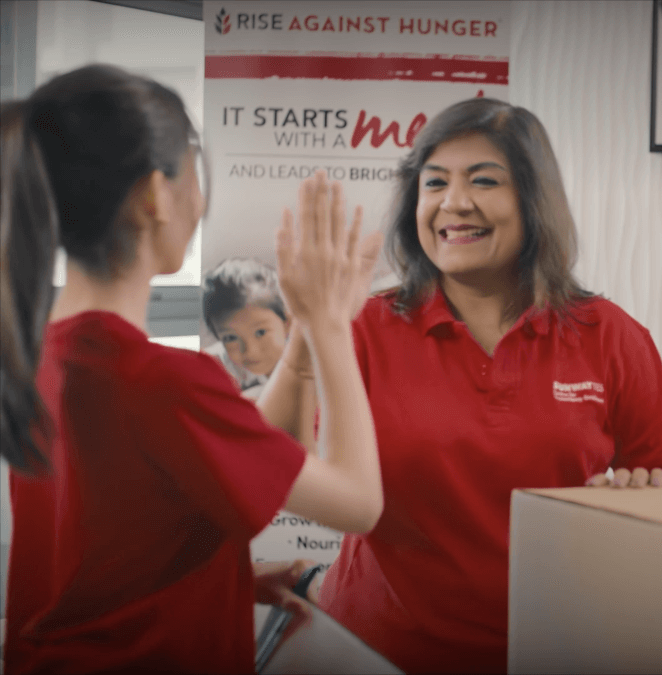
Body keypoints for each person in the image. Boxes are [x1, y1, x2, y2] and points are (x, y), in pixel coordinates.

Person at [257, 97, 662, 673]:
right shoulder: (366, 326)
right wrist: (310, 331)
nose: (454, 203)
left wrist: (647, 504)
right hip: (378, 650)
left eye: (484, 181)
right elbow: (270, 465)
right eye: (434, 182)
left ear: (534, 200)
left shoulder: (608, 335)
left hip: (555, 646)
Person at [0, 64, 385, 673]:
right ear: (156, 194)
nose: (201, 200)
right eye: (197, 170)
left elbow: (113, 550)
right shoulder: (159, 379)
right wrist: (334, 323)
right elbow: (358, 503)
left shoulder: (46, 354)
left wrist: (221, 583)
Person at [202, 257, 291, 398]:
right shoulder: (217, 364)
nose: (250, 351)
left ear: (287, 324)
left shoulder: (305, 359)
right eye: (230, 338)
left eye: (260, 332)